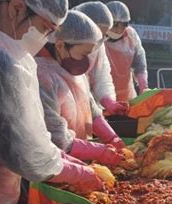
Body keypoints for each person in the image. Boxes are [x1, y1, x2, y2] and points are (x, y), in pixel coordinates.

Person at [0, 0, 103, 204]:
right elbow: (25, 152)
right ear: (17, 8)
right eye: (45, 29)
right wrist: (79, 173)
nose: (45, 40)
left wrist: (64, 158)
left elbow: (32, 134)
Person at [36, 10, 125, 165]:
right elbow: (57, 138)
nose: (86, 61)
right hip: (58, 166)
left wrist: (112, 138)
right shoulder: (43, 76)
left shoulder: (74, 72)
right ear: (60, 45)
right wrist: (99, 151)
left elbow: (91, 110)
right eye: (83, 54)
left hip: (82, 160)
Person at [73, 1, 128, 115]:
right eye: (96, 33)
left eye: (104, 35)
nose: (99, 39)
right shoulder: (66, 48)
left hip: (86, 109)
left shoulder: (99, 45)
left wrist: (108, 101)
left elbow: (102, 76)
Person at [105, 1, 148, 101]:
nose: (119, 30)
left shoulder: (131, 35)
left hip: (127, 95)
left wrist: (142, 83)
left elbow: (139, 62)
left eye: (124, 24)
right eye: (115, 25)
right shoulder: (99, 40)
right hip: (103, 97)